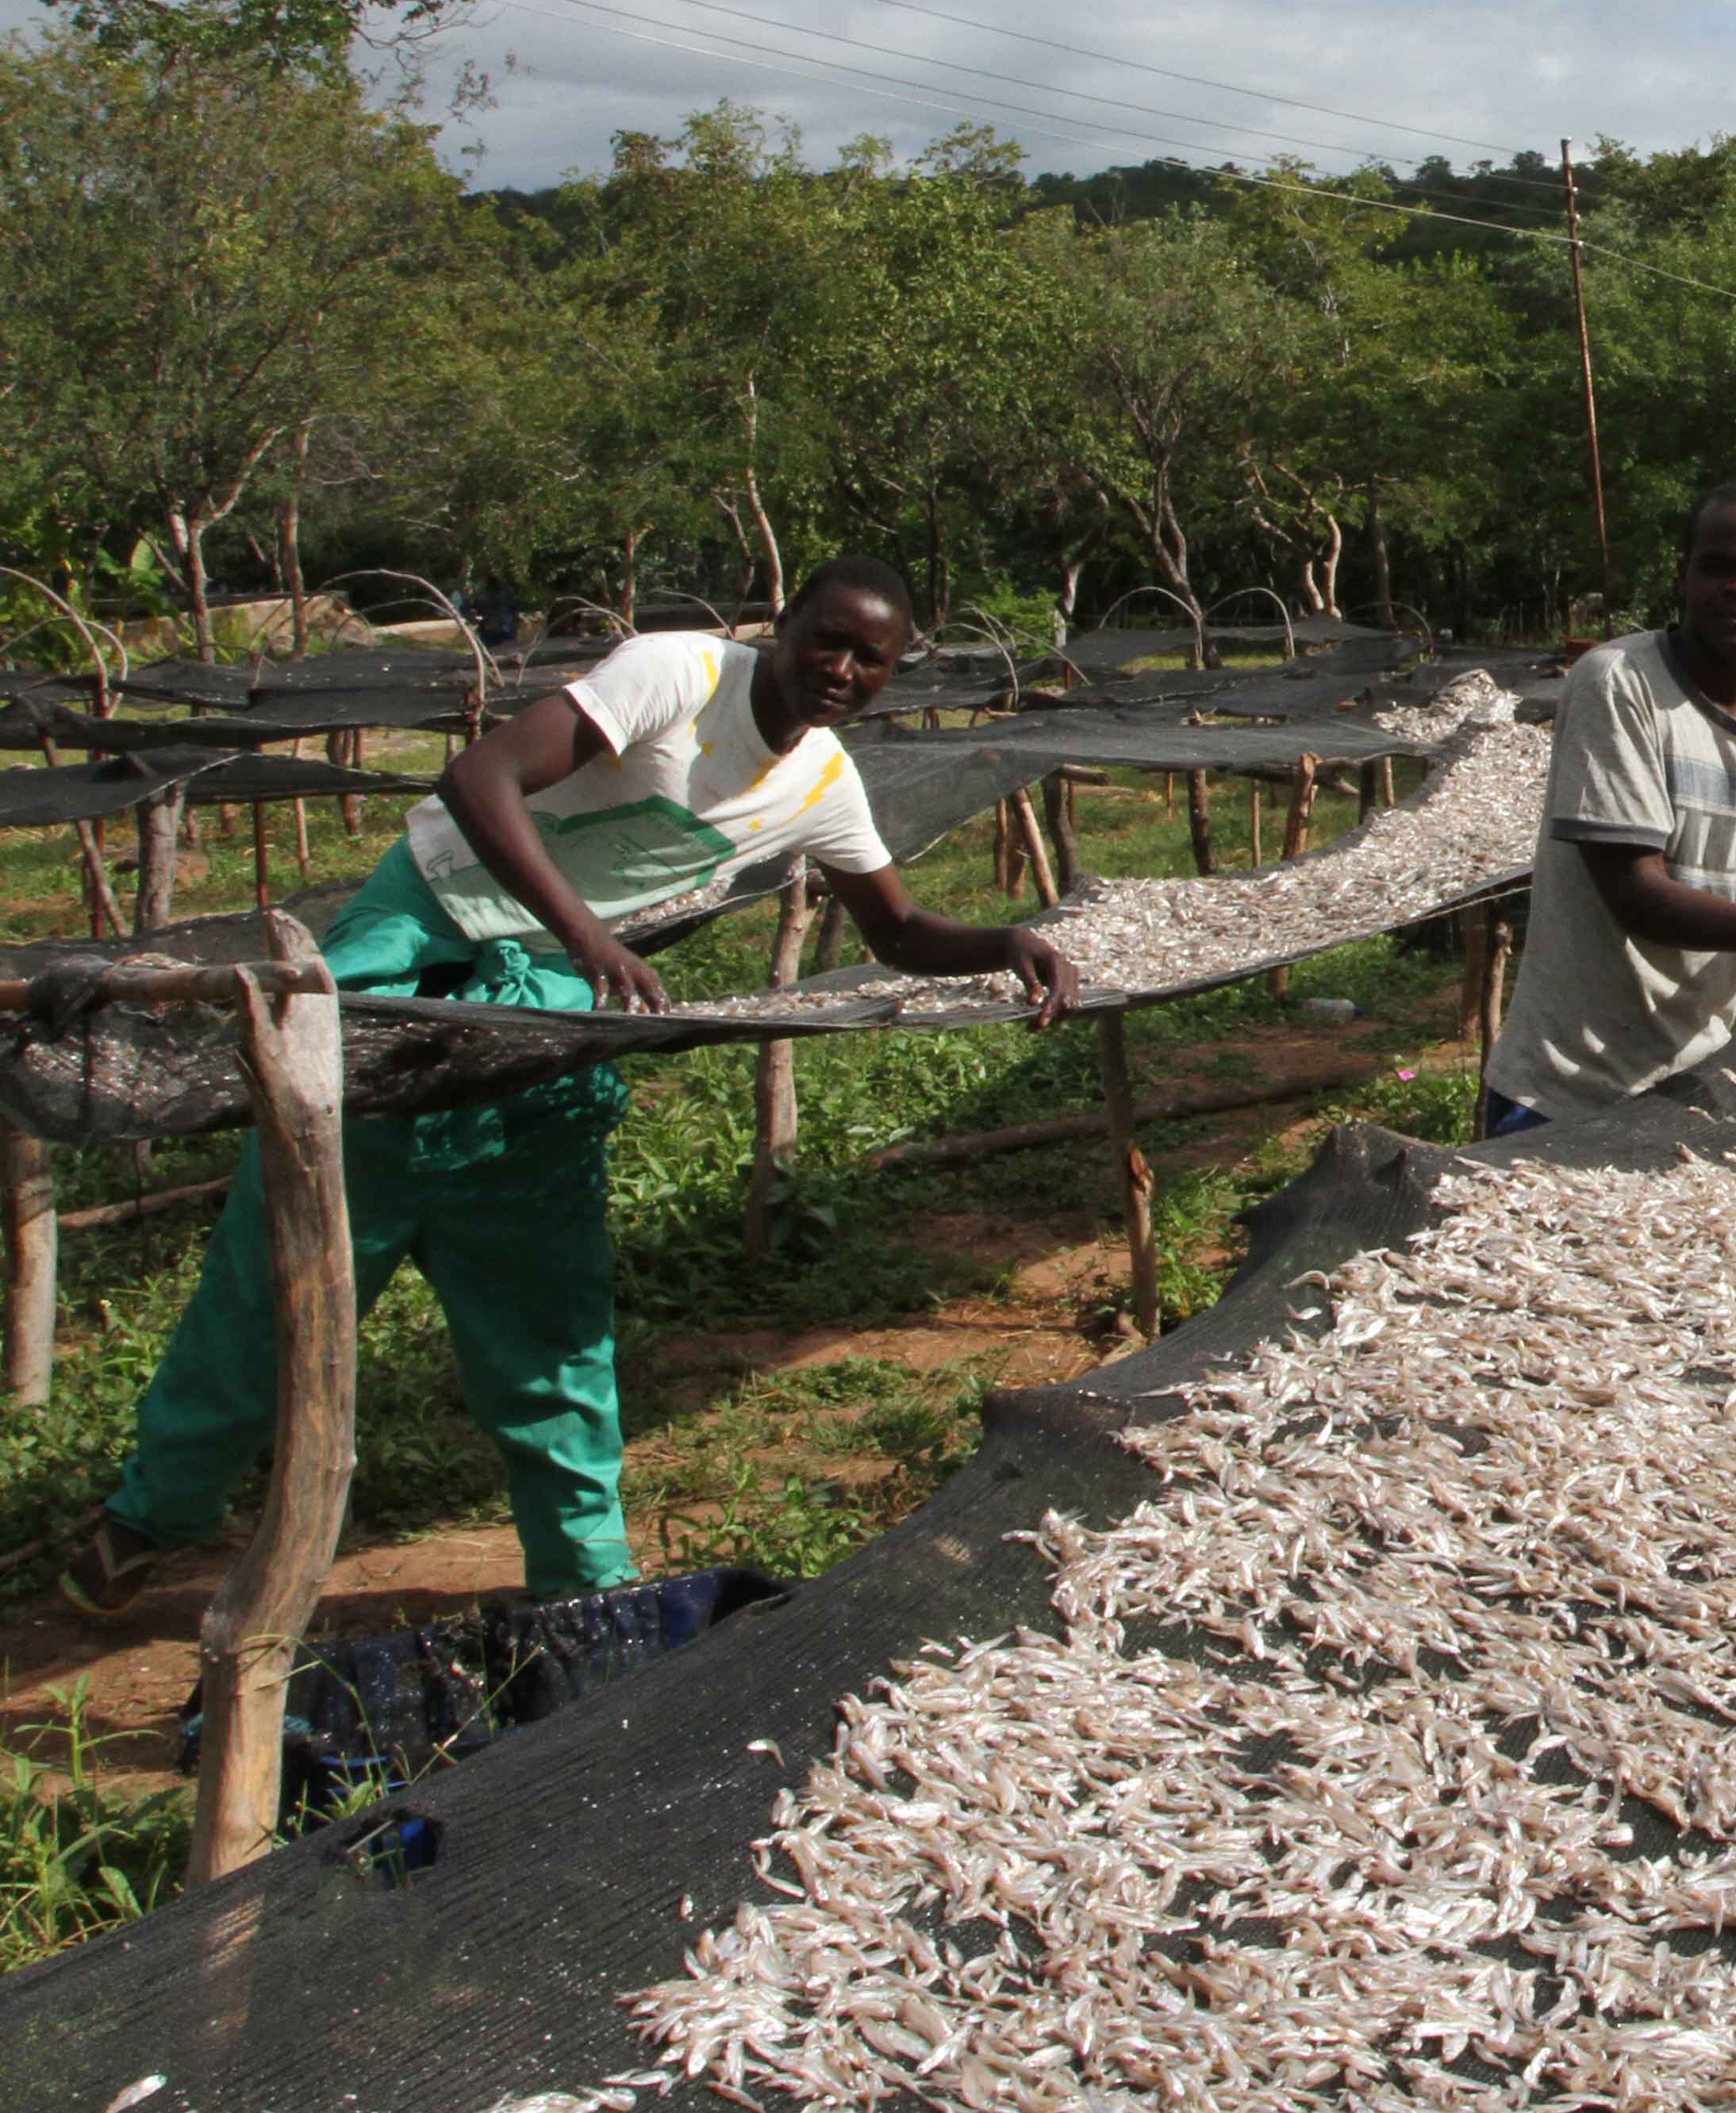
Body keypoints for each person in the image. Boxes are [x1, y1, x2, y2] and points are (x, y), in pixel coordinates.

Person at [64, 558, 1077, 1614]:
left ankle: (585, 1586)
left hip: (545, 1005)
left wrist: (1009, 939)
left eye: (870, 658)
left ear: (891, 677)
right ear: (782, 627)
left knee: (548, 1308)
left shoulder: (823, 786)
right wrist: (588, 935)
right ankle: (149, 1517)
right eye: (825, 637)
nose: (839, 667)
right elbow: (478, 779)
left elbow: (899, 931)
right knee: (287, 1270)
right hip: (421, 939)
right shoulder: (678, 675)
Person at [1481, 482, 1736, 1137]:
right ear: (1685, 575)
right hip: (1569, 1086)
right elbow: (1639, 896)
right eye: (1718, 566)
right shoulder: (1619, 682)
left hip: (1697, 1076)